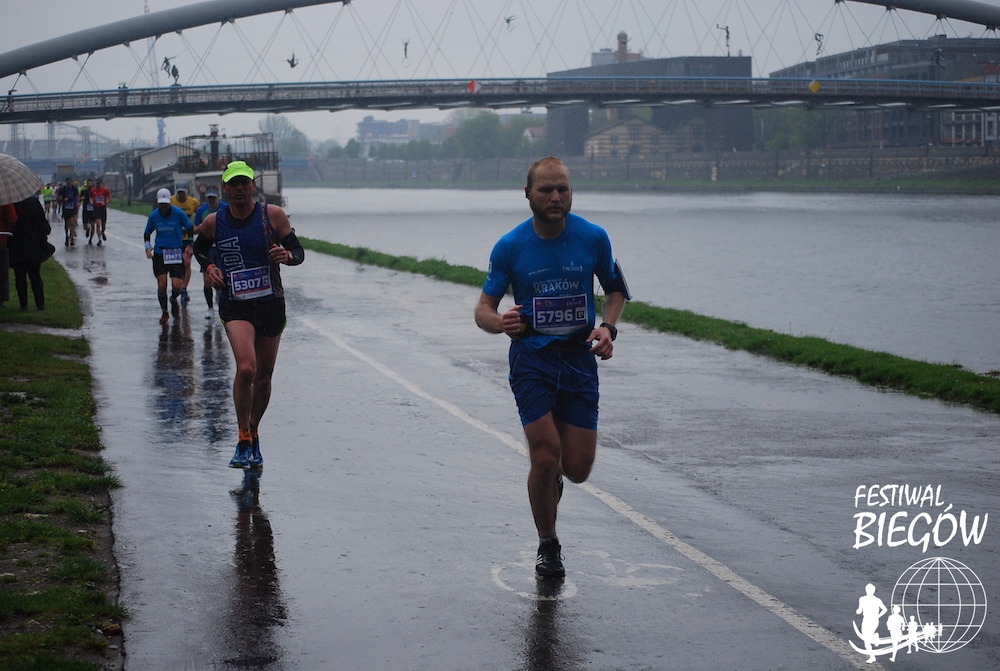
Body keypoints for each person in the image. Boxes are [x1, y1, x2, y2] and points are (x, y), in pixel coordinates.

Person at [474, 156, 630, 579]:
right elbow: (483, 309)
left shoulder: (593, 237)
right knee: (544, 456)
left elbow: (615, 289)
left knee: (576, 469)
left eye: (563, 189)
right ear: (528, 194)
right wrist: (499, 322)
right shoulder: (510, 246)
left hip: (578, 360)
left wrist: (608, 328)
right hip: (532, 360)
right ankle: (548, 545)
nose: (556, 197)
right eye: (546, 190)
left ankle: (553, 480)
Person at [192, 160, 303, 469]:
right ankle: (242, 438)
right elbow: (199, 249)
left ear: (253, 186)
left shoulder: (272, 216)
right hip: (235, 303)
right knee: (246, 369)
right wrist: (210, 267)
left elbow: (298, 252)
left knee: (264, 379)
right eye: (233, 184)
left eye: (244, 183)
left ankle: (253, 431)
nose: (239, 188)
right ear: (225, 189)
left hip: (270, 303)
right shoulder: (214, 222)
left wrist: (286, 255)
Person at [144, 188, 193, 325]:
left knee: (177, 286)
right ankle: (164, 311)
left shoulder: (179, 213)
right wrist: (147, 248)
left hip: (175, 252)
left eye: (166, 203)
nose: (164, 206)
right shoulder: (154, 216)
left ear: (170, 201)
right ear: (157, 202)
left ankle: (173, 299)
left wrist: (189, 245)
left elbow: (189, 227)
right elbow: (147, 234)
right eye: (161, 204)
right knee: (162, 284)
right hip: (160, 252)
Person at [9, 195, 53, 310]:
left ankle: (23, 305)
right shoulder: (34, 202)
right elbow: (44, 224)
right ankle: (40, 304)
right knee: (35, 275)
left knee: (19, 275)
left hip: (17, 244)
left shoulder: (11, 204)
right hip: (34, 244)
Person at [193, 187, 226, 319]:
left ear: (218, 196)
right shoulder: (202, 210)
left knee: (222, 277)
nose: (212, 200)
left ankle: (220, 296)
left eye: (214, 197)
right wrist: (200, 228)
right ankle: (210, 308)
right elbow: (194, 229)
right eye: (209, 198)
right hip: (207, 249)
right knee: (207, 280)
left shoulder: (225, 208)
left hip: (221, 248)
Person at [171, 182, 200, 306]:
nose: (181, 195)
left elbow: (198, 215)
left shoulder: (193, 202)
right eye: (179, 193)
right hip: (173, 239)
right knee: (176, 264)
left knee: (187, 262)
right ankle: (176, 286)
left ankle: (184, 289)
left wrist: (196, 227)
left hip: (187, 238)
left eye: (183, 193)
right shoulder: (171, 201)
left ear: (186, 192)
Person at [89, 179, 111, 246]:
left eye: (99, 183)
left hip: (102, 208)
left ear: (101, 183)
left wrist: (105, 202)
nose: (98, 185)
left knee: (103, 226)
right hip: (96, 208)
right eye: (97, 184)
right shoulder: (93, 190)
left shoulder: (105, 190)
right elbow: (90, 197)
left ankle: (102, 232)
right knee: (98, 224)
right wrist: (91, 201)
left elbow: (110, 198)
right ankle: (99, 240)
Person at [58, 177, 78, 247]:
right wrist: (63, 199)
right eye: (67, 182)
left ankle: (72, 238)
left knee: (72, 223)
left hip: (73, 208)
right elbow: (59, 196)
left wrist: (77, 202)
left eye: (70, 182)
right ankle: (67, 236)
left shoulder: (74, 188)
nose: (69, 184)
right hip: (66, 208)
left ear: (71, 182)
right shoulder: (63, 189)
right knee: (66, 223)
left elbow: (77, 196)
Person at [79, 179, 94, 243]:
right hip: (86, 208)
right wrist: (81, 198)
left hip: (93, 209)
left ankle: (91, 239)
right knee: (85, 225)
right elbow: (79, 198)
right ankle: (87, 229)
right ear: (87, 184)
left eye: (91, 183)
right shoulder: (84, 191)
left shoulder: (94, 191)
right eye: (89, 183)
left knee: (93, 225)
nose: (90, 184)